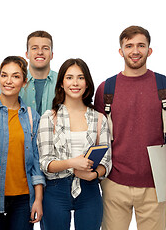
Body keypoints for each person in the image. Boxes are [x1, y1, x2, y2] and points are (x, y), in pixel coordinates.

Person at [94, 25, 166, 230]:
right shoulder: (106, 89)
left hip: (155, 183)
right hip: (114, 182)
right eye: (129, 46)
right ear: (121, 51)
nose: (135, 51)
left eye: (141, 45)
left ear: (149, 50)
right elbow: (97, 138)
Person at [37, 58, 112, 230]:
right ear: (61, 83)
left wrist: (94, 175)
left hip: (89, 189)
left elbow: (106, 162)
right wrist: (72, 163)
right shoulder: (49, 118)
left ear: (87, 83)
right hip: (56, 189)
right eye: (69, 77)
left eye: (80, 77)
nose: (75, 83)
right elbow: (45, 163)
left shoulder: (99, 118)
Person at [0, 56, 46, 230]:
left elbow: (37, 164)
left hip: (23, 200)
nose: (8, 81)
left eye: (15, 76)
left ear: (24, 82)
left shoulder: (33, 117)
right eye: (4, 75)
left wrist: (38, 200)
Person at [0, 30, 57, 116]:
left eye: (45, 48)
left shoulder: (62, 81)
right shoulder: (11, 82)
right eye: (34, 48)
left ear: (52, 55)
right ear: (27, 54)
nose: (40, 52)